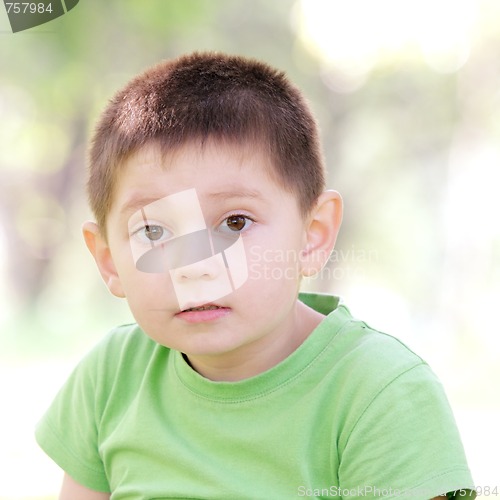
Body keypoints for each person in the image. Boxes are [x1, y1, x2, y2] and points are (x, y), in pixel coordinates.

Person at [36, 52, 475, 499]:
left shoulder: (380, 395)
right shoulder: (112, 377)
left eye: (235, 222)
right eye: (153, 230)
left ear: (312, 235)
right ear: (110, 261)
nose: (195, 265)